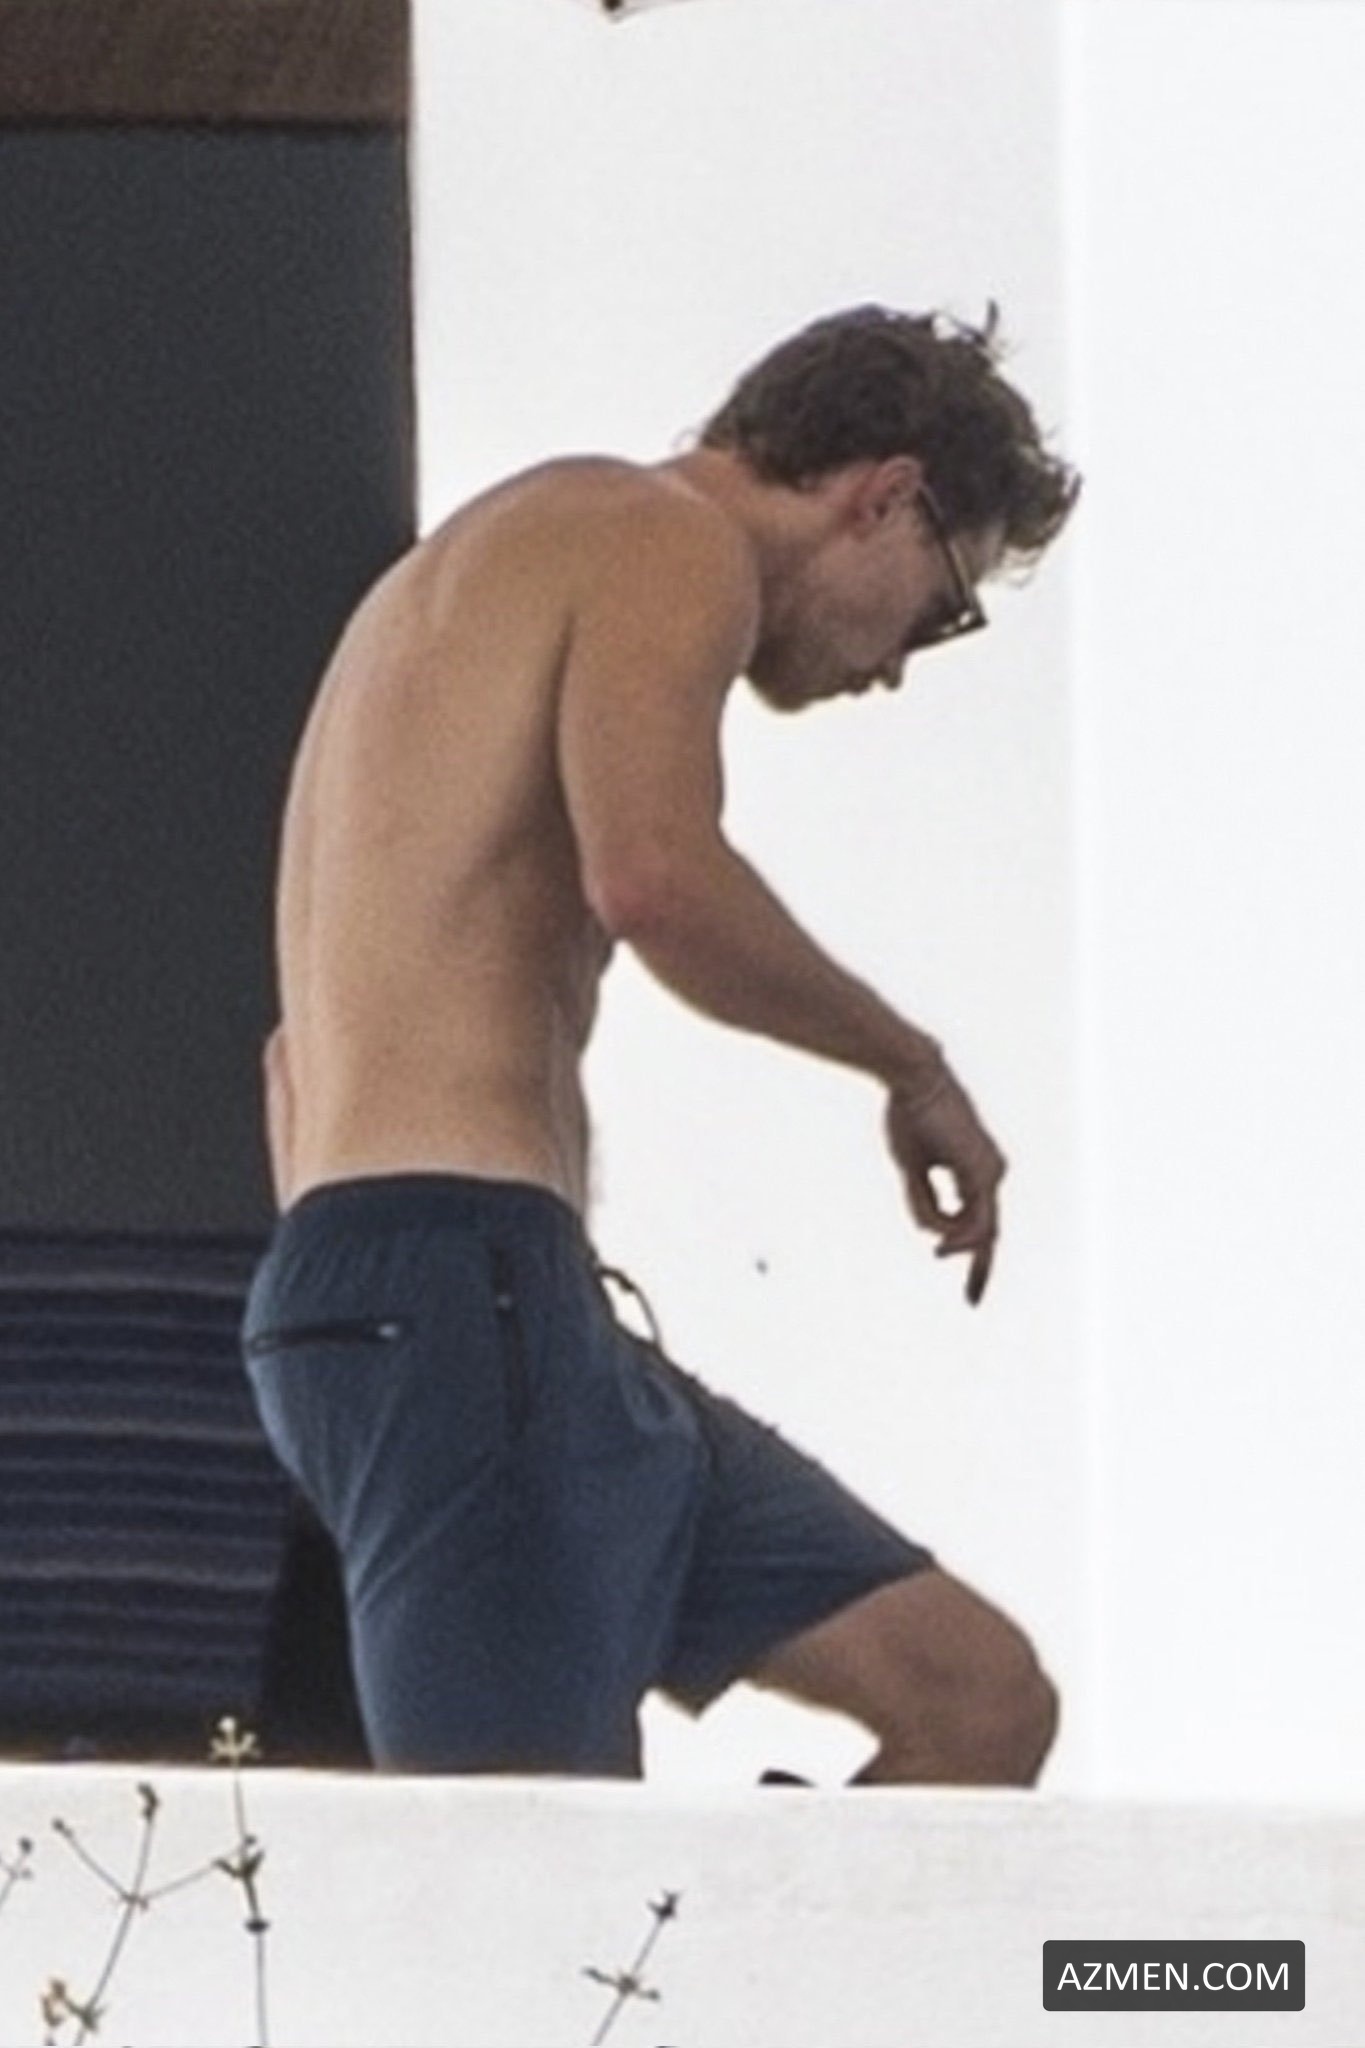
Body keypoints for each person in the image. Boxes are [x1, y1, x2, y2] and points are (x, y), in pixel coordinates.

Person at [243, 304, 1079, 1783]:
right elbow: (654, 878)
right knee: (528, 1873)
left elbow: (286, 1061)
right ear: (884, 496)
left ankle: (732, 1932)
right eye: (939, 608)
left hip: (459, 1293)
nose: (897, 668)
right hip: (464, 1292)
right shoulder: (660, 536)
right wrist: (914, 1066)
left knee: (975, 1698)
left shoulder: (465, 580)